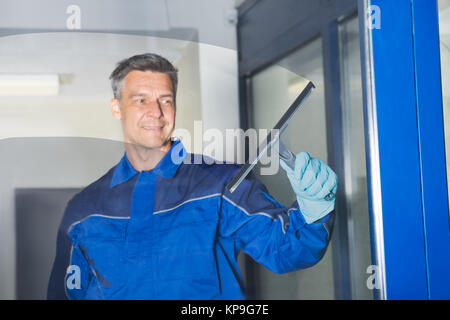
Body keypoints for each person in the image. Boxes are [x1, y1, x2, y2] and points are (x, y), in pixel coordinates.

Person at [47, 53, 338, 300]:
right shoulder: (83, 210)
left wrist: (315, 207)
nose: (156, 112)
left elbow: (287, 249)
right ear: (116, 108)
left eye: (166, 100)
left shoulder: (222, 185)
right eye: (141, 100)